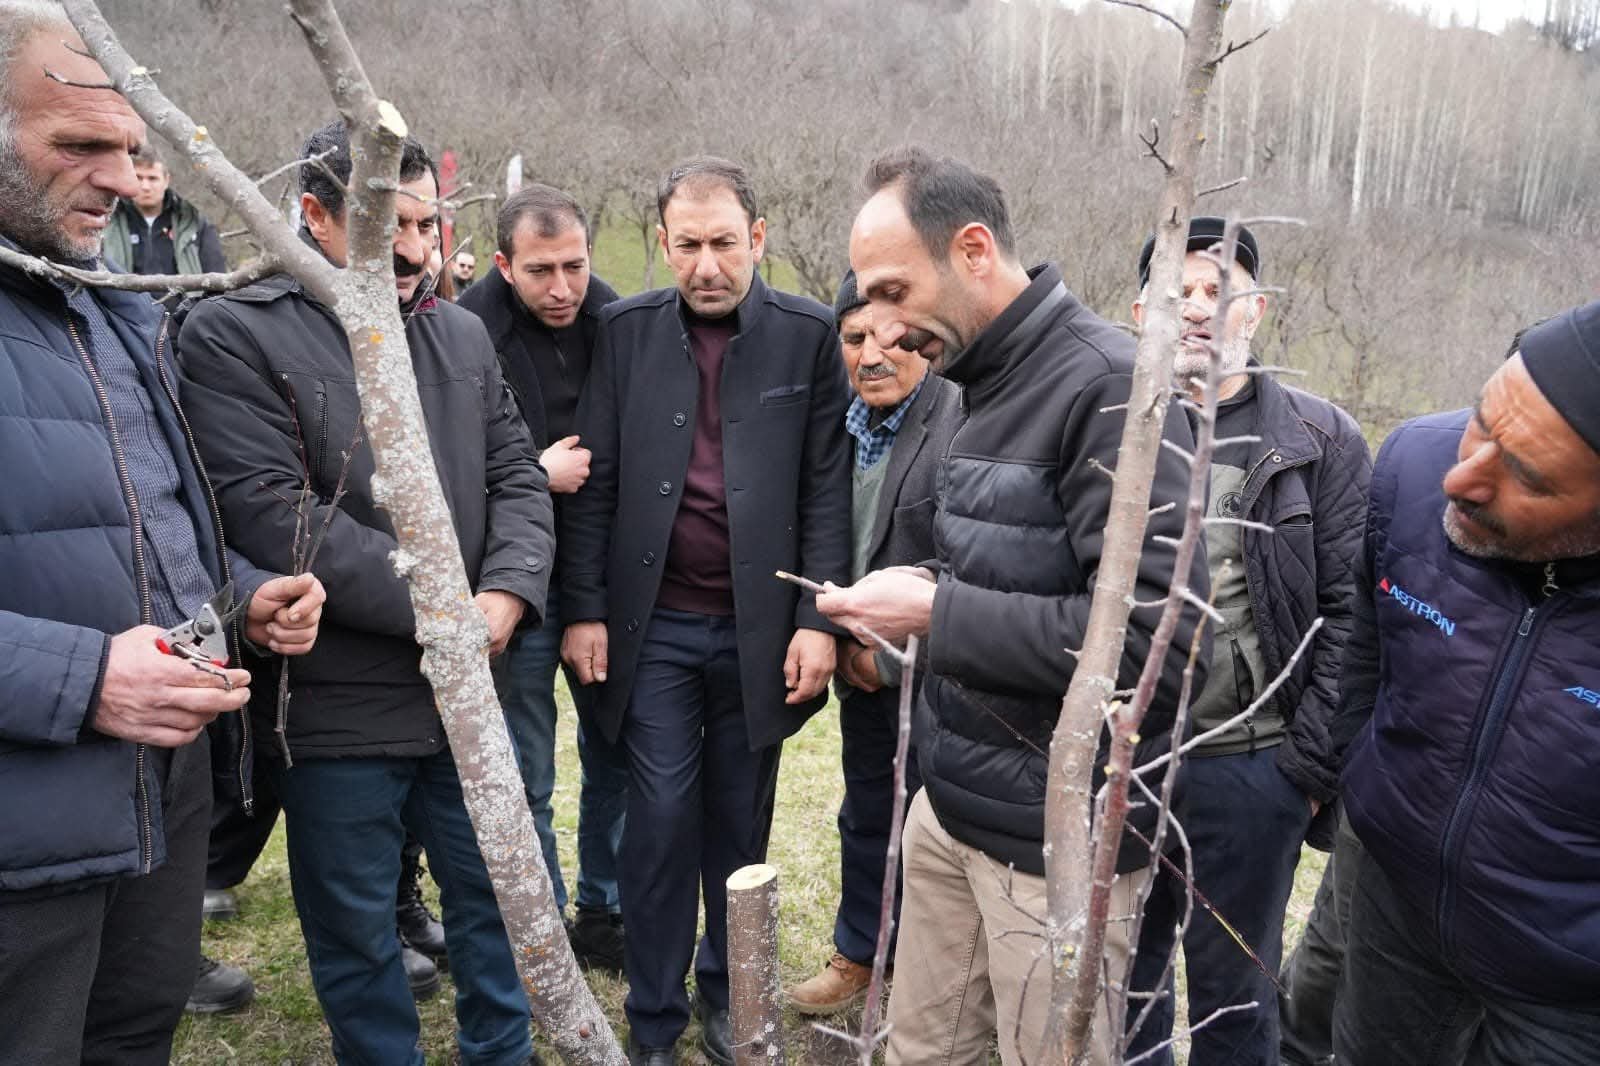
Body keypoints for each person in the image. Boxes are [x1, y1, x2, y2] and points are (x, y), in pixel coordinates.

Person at [815, 146, 1208, 1066]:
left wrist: (931, 614)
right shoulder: (964, 386)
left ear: (975, 250)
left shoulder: (1110, 387)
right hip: (948, 813)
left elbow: (1157, 641)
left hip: (1055, 848)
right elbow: (991, 571)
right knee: (923, 1053)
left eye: (893, 291)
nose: (881, 326)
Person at [176, 119, 555, 1066]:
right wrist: (445, 614)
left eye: (430, 228)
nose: (420, 253)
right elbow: (272, 513)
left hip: (474, 691)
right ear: (313, 215)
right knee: (354, 938)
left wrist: (505, 594)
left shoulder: (458, 331)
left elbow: (517, 475)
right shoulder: (238, 328)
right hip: (340, 704)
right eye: (394, 227)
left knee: (495, 907)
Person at [0, 8, 324, 1063]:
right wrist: (83, 675)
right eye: (78, 146)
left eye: (134, 148)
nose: (121, 176)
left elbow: (151, 518)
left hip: (159, 801)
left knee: (134, 1038)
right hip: (23, 835)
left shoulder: (114, 306)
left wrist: (238, 592)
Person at [560, 156, 851, 1066]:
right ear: (663, 245)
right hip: (654, 634)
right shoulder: (625, 331)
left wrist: (819, 620)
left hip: (762, 632)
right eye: (687, 246)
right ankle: (654, 1014)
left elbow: (826, 489)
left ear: (757, 240)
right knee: (657, 821)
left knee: (739, 822)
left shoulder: (808, 335)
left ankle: (731, 993)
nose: (707, 265)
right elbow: (594, 481)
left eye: (726, 243)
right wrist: (585, 608)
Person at [1121, 218, 1372, 1066]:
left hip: (1253, 767)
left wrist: (1300, 775)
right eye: (1173, 292)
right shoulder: (1112, 425)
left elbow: (1349, 618)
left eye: (1215, 289)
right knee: (1127, 981)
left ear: (1253, 310)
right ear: (1138, 312)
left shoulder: (1320, 440)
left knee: (1235, 998)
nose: (1195, 308)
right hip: (1131, 759)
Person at [1330, 301, 1600, 1065]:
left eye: (1527, 477)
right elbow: (1365, 646)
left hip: (1569, 1002)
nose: (1461, 478)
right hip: (1397, 922)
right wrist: (1362, 775)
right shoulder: (1412, 466)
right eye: (1482, 423)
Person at [458, 183, 630, 973]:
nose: (563, 289)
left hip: (604, 572)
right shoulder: (464, 331)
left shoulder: (616, 318)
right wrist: (534, 472)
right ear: (503, 265)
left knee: (616, 753)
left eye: (575, 266)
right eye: (540, 271)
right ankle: (544, 926)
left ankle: (607, 909)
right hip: (511, 578)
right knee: (525, 766)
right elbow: (441, 469)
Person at [784, 269, 961, 1015]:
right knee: (865, 814)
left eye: (894, 339)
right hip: (862, 674)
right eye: (855, 338)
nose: (873, 355)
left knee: (936, 834)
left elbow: (962, 563)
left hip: (942, 677)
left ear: (927, 343)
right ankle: (860, 955)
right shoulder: (837, 426)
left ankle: (929, 986)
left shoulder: (961, 421)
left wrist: (882, 658)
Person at [102, 141, 226, 310]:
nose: (145, 186)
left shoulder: (192, 222)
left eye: (152, 178)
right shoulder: (107, 221)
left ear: (166, 180)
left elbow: (217, 282)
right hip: (128, 320)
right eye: (138, 178)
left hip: (185, 323)